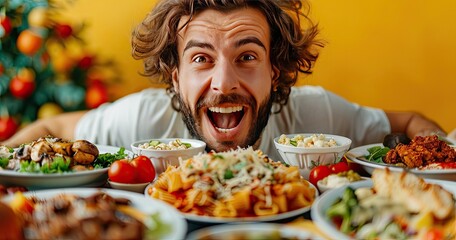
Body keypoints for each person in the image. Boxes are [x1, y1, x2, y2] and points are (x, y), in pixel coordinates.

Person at [2, 0, 454, 162]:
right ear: (175, 77)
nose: (223, 83)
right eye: (201, 58)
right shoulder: (144, 121)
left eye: (247, 56)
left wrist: (437, 167)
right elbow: (51, 130)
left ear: (274, 70)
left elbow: (413, 120)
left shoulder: (314, 115)